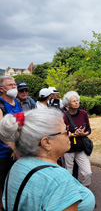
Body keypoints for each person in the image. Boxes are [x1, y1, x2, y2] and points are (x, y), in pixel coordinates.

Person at [0, 108, 95, 210]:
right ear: (46, 142)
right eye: (65, 130)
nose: (69, 134)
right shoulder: (59, 179)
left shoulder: (18, 165)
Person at [0, 76, 23, 210]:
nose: (14, 87)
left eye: (15, 84)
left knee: (14, 183)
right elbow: (1, 131)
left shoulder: (17, 102)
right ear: (1, 89)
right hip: (3, 154)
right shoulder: (1, 105)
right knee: (2, 185)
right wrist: (13, 147)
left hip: (18, 151)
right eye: (10, 85)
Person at [62, 91, 92, 188]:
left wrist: (83, 133)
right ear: (67, 104)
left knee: (88, 172)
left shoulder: (83, 113)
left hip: (81, 147)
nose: (76, 102)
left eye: (77, 100)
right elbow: (60, 133)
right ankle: (71, 194)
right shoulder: (63, 116)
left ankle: (84, 191)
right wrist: (69, 134)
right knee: (68, 174)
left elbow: (89, 129)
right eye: (73, 101)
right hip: (68, 148)